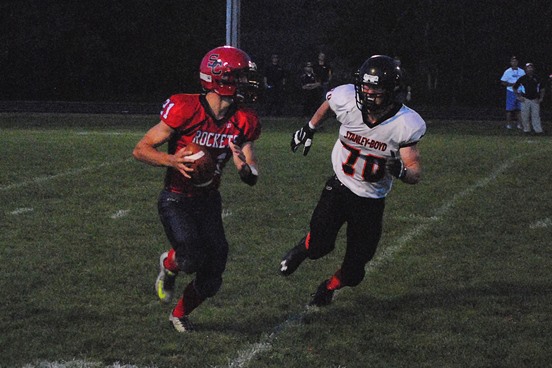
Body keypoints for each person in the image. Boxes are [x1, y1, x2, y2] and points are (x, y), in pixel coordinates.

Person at [133, 46, 261, 333]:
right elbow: (140, 149)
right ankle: (169, 262)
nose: (247, 84)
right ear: (219, 78)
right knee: (190, 256)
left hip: (208, 200)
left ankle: (179, 315)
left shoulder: (244, 120)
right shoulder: (185, 107)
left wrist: (245, 169)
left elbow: (251, 170)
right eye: (240, 77)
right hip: (176, 198)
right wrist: (172, 160)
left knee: (214, 272)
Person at [280, 55, 426, 307]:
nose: (367, 93)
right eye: (365, 86)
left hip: (371, 200)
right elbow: (327, 104)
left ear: (391, 89)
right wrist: (310, 127)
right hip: (339, 187)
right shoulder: (347, 98)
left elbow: (415, 172)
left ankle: (328, 287)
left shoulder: (405, 123)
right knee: (319, 246)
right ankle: (302, 250)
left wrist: (401, 171)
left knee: (355, 271)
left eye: (375, 88)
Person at [513, 63, 546, 135]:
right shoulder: (522, 78)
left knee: (536, 115)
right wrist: (519, 97)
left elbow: (542, 89)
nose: (530, 69)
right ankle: (526, 130)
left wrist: (541, 98)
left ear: (533, 69)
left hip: (535, 99)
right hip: (525, 99)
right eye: (528, 68)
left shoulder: (537, 78)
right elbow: (515, 87)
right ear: (525, 69)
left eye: (531, 68)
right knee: (525, 115)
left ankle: (538, 130)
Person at [500, 56, 525, 130]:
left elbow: (524, 81)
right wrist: (511, 84)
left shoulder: (522, 71)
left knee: (520, 109)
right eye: (513, 61)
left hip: (520, 91)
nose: (514, 63)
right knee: (509, 109)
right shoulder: (508, 71)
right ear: (510, 63)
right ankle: (508, 124)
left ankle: (519, 124)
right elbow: (503, 82)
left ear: (517, 62)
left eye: (516, 61)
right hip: (511, 91)